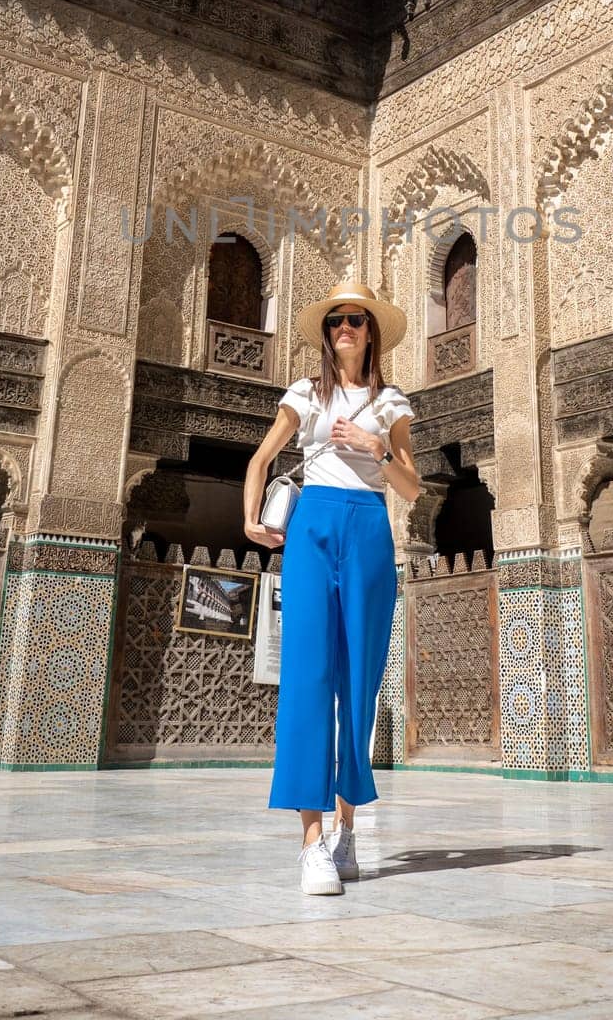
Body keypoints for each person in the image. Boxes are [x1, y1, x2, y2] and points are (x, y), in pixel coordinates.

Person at [243, 281, 421, 895]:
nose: (346, 327)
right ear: (328, 332)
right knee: (309, 676)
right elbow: (260, 460)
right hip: (314, 523)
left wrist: (378, 447)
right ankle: (311, 842)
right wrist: (250, 519)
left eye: (357, 319)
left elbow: (413, 489)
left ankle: (346, 830)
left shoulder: (391, 401)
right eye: (338, 320)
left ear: (371, 331)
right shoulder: (306, 393)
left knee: (359, 683)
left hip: (369, 525)